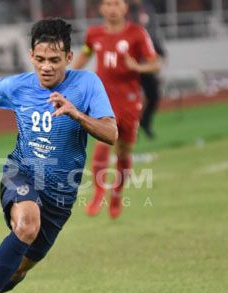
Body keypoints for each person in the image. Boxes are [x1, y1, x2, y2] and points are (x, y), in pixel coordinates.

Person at [0, 18, 117, 293]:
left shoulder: (87, 85)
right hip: (21, 172)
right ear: (31, 56)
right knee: (28, 224)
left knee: (15, 272)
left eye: (55, 60)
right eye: (40, 59)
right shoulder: (16, 85)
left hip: (61, 194)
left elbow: (111, 133)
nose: (46, 67)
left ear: (69, 58)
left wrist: (76, 113)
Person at [72, 0, 160, 219]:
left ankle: (117, 193)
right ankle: (99, 192)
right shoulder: (93, 34)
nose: (112, 8)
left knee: (123, 151)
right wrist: (68, 76)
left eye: (116, 4)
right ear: (101, 8)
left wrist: (138, 67)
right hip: (103, 99)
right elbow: (86, 52)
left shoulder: (137, 33)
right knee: (102, 143)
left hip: (130, 101)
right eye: (108, 4)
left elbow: (155, 63)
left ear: (124, 8)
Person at [129, 0, 166, 139]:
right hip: (131, 62)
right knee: (131, 98)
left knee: (154, 95)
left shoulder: (147, 8)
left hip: (147, 62)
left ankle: (145, 122)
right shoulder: (125, 9)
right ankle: (131, 128)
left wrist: (160, 49)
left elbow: (153, 31)